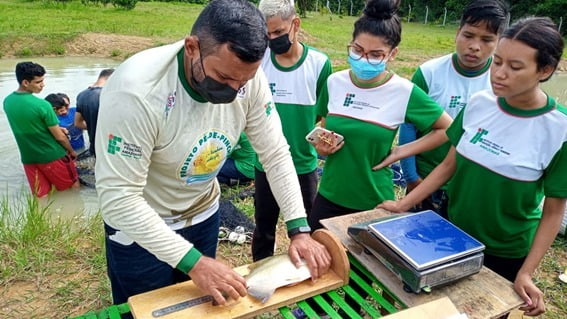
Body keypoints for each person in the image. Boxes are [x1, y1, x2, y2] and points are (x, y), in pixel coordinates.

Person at [95, 0, 331, 309]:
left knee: (197, 307)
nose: (234, 90)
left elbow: (274, 153)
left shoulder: (247, 77)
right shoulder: (138, 93)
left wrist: (299, 229)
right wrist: (195, 263)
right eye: (223, 78)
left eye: (242, 81)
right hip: (142, 228)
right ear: (192, 47)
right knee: (144, 309)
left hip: (203, 213)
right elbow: (119, 198)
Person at [378, 17, 566, 317]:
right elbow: (448, 164)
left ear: (544, 70)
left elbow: (554, 211)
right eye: (498, 62)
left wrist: (527, 272)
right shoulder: (480, 103)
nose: (499, 74)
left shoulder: (559, 129)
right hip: (450, 232)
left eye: (515, 67)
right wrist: (404, 204)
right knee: (434, 308)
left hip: (504, 250)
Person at [308, 0, 452, 231]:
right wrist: (321, 147)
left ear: (392, 54)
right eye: (357, 50)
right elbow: (325, 129)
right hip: (329, 195)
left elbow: (447, 129)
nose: (364, 60)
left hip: (373, 202)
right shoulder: (335, 82)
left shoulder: (403, 91)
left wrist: (402, 151)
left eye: (375, 55)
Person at [398, 0, 509, 218]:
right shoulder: (429, 73)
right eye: (468, 35)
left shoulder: (501, 82)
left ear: (499, 42)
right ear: (457, 33)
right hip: (425, 177)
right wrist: (411, 177)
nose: (475, 46)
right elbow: (409, 128)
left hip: (470, 185)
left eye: (487, 40)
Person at [252, 0, 333, 261]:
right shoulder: (258, 62)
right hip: (265, 163)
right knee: (263, 228)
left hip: (303, 164)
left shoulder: (320, 64)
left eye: (278, 32)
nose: (272, 40)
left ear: (295, 24)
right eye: (267, 35)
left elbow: (322, 114)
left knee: (305, 231)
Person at [3, 62, 79, 198]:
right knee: (72, 186)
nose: (43, 84)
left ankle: (40, 219)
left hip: (28, 159)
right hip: (52, 156)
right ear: (25, 82)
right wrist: (71, 151)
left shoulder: (7, 101)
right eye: (39, 81)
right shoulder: (43, 105)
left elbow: (29, 124)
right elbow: (60, 137)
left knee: (41, 196)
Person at [75, 68, 114, 157]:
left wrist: (92, 126)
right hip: (111, 146)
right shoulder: (109, 95)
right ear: (112, 80)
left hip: (95, 146)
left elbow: (78, 123)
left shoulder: (81, 95)